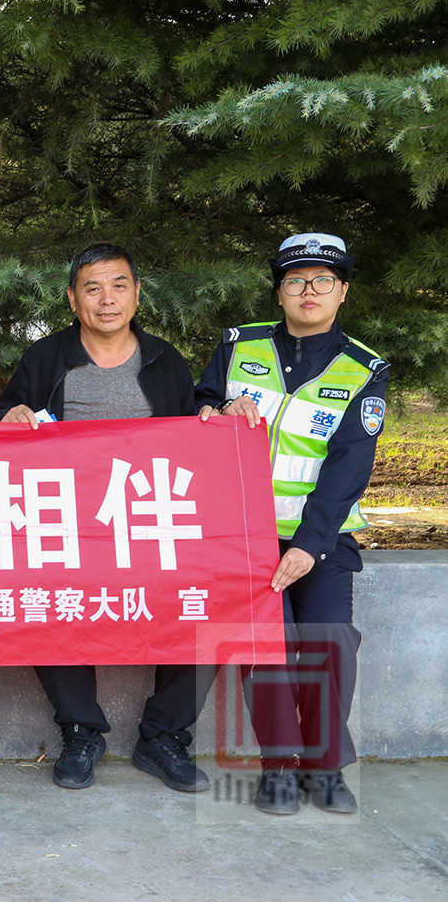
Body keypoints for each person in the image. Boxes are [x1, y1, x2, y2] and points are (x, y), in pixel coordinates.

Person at [0, 243, 213, 794]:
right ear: (73, 299)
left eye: (118, 286)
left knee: (205, 601)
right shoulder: (45, 358)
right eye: (92, 288)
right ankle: (80, 731)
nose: (106, 299)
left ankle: (163, 736)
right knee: (45, 600)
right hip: (67, 524)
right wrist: (11, 415)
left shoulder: (165, 361)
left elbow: (193, 443)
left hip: (152, 520)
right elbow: (5, 428)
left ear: (137, 295)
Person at [196, 233, 386, 816]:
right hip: (246, 536)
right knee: (266, 647)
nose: (310, 290)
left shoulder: (363, 369)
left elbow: (350, 465)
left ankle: (324, 767)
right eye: (296, 279)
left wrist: (309, 545)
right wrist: (218, 408)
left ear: (342, 291)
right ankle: (278, 765)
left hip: (321, 540)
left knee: (332, 642)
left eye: (323, 280)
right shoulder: (240, 345)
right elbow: (198, 403)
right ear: (279, 291)